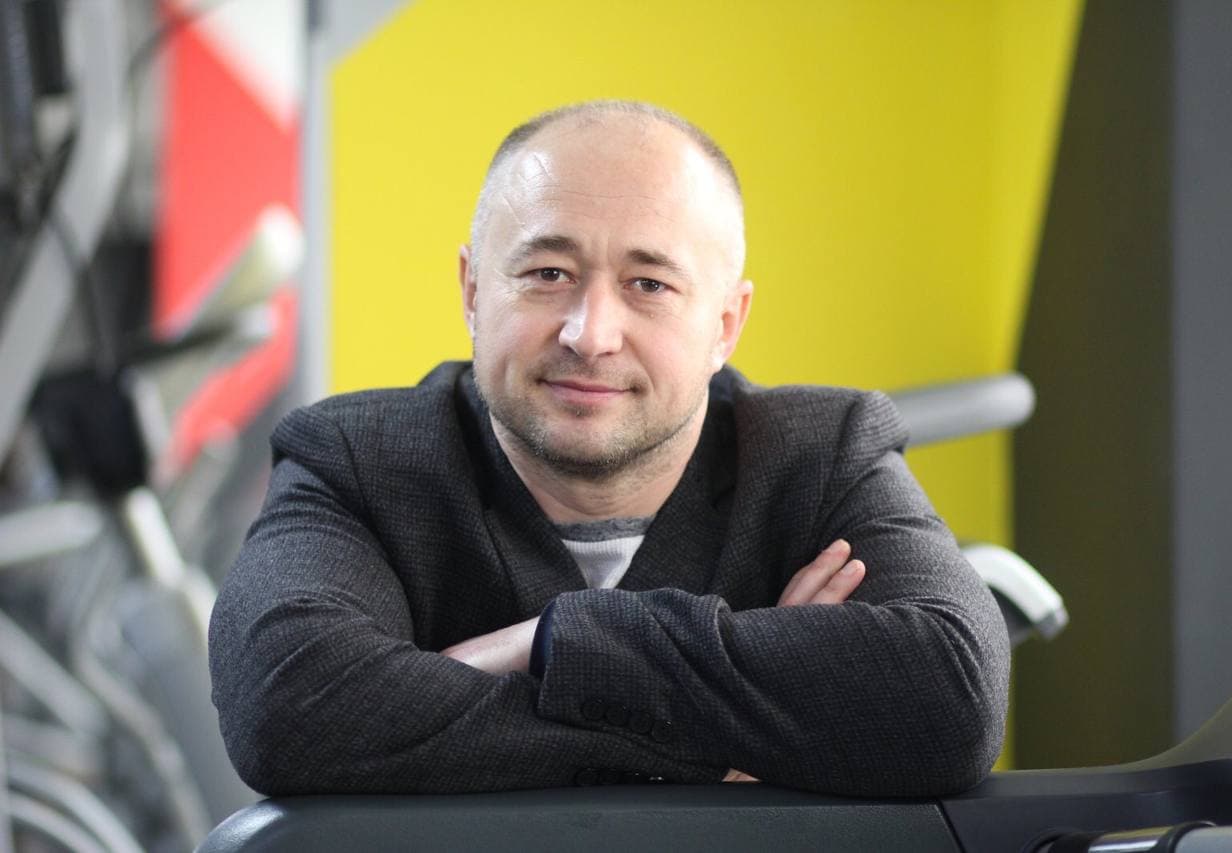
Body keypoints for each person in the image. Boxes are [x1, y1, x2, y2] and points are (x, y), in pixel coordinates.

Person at [208, 100, 1010, 798]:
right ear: (473, 291)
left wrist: (540, 643)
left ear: (725, 324)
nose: (590, 334)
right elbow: (287, 708)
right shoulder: (356, 461)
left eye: (648, 284)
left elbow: (951, 698)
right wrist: (744, 724)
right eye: (548, 272)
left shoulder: (822, 456)